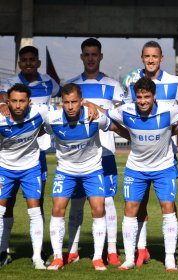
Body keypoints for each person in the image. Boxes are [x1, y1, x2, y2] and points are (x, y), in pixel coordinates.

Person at [121, 40, 178, 267]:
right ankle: (140, 250)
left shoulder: (175, 82)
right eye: (147, 56)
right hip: (140, 154)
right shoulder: (132, 82)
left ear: (162, 58)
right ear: (142, 58)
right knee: (138, 202)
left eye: (155, 56)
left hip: (166, 154)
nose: (151, 60)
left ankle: (170, 254)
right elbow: (125, 115)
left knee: (168, 204)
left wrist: (168, 132)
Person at [107, 76, 178, 271]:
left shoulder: (170, 110)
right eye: (139, 97)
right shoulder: (125, 110)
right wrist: (90, 107)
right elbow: (107, 117)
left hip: (164, 167)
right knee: (130, 209)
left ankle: (169, 258)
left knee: (167, 207)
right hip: (136, 168)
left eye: (147, 97)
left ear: (154, 96)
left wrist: (169, 132)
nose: (142, 101)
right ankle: (128, 258)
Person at [45, 83, 124, 271]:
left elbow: (114, 126)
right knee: (58, 209)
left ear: (82, 101)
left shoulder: (95, 118)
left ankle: (98, 258)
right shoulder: (52, 118)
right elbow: (35, 125)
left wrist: (135, 140)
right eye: (66, 102)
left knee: (98, 208)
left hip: (92, 170)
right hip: (66, 171)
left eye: (74, 102)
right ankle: (58, 257)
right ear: (61, 103)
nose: (70, 106)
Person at [63, 38, 125, 266]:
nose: (90, 58)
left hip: (105, 154)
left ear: (100, 56)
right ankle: (73, 249)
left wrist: (99, 110)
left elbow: (121, 119)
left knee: (107, 203)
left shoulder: (113, 86)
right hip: (78, 157)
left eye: (94, 54)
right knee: (77, 203)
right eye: (86, 54)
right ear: (82, 57)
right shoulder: (71, 85)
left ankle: (111, 250)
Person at [0, 45, 60, 264]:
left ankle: (39, 252)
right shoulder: (8, 85)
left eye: (31, 59)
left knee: (37, 203)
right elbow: (1, 96)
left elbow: (67, 98)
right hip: (8, 156)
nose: (28, 63)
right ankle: (3, 250)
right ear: (19, 63)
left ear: (38, 62)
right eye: (23, 60)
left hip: (35, 154)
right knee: (6, 203)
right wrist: (1, 102)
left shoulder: (49, 83)